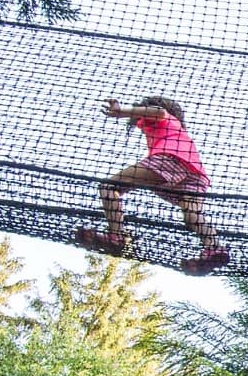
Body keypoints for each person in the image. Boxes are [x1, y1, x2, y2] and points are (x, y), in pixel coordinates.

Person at [76, 96, 229, 275]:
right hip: (195, 174)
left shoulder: (166, 117)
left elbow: (159, 112)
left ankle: (116, 236)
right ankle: (215, 249)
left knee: (109, 187)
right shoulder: (175, 131)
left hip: (170, 160)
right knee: (192, 216)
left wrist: (122, 111)